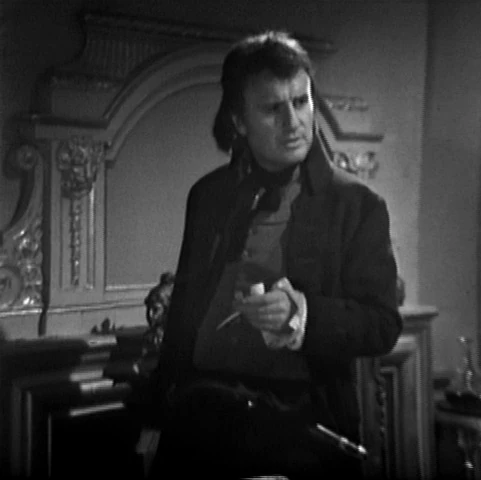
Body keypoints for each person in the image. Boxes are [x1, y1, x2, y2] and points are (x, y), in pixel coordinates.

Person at [149, 30, 402, 479]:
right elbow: (184, 316)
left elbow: (382, 324)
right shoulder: (207, 196)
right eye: (272, 109)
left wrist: (301, 315)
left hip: (299, 431)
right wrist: (154, 419)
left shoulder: (357, 205)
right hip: (201, 425)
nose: (294, 122)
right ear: (239, 121)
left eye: (301, 102)